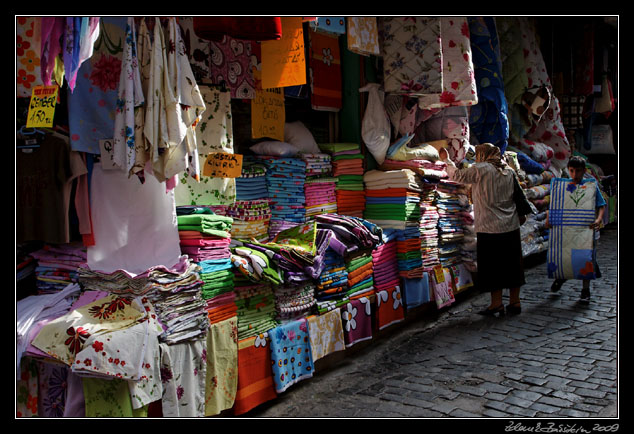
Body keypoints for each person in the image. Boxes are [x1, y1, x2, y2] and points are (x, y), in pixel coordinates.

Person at [439, 143, 531, 316]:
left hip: (488, 228)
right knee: (512, 266)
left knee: (492, 268)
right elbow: (519, 197)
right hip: (510, 227)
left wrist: (446, 159)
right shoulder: (508, 171)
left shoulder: (480, 169)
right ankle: (515, 302)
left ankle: (496, 304)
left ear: (482, 155)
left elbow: (457, 176)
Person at [546, 156, 606, 303]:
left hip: (586, 230)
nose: (574, 174)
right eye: (572, 171)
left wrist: (598, 220)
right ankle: (561, 277)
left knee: (586, 258)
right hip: (566, 229)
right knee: (565, 254)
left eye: (578, 171)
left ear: (584, 171)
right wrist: (549, 218)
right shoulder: (561, 187)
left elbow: (601, 204)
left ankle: (585, 289)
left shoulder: (591, 186)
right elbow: (554, 205)